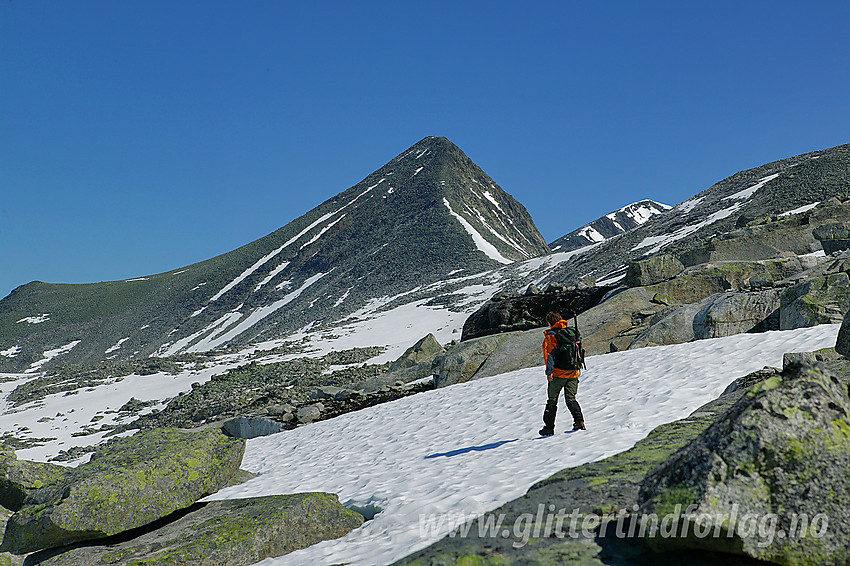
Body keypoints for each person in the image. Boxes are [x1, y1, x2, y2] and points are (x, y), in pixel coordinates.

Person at [539, 311, 585, 436]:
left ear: (550, 322)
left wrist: (549, 372)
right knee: (571, 398)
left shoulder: (552, 335)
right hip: (574, 372)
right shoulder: (571, 333)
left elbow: (550, 356)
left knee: (552, 400)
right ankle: (579, 421)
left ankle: (549, 427)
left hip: (559, 374)